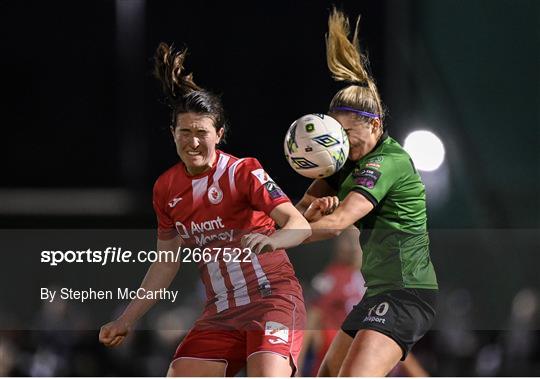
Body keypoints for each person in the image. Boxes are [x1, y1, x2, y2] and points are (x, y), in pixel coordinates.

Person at [99, 42, 311, 377]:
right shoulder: (166, 189)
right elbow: (165, 264)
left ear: (219, 134)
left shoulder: (244, 172)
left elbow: (300, 225)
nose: (193, 141)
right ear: (173, 134)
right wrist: (126, 318)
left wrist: (274, 240)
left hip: (272, 301)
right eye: (185, 132)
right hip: (221, 312)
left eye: (202, 133)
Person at [295, 8, 438, 377]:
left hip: (406, 294)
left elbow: (339, 221)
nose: (341, 143)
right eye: (336, 134)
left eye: (348, 134)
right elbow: (297, 217)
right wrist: (289, 224)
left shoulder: (386, 161)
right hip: (378, 294)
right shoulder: (342, 162)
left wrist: (276, 239)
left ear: (374, 125)